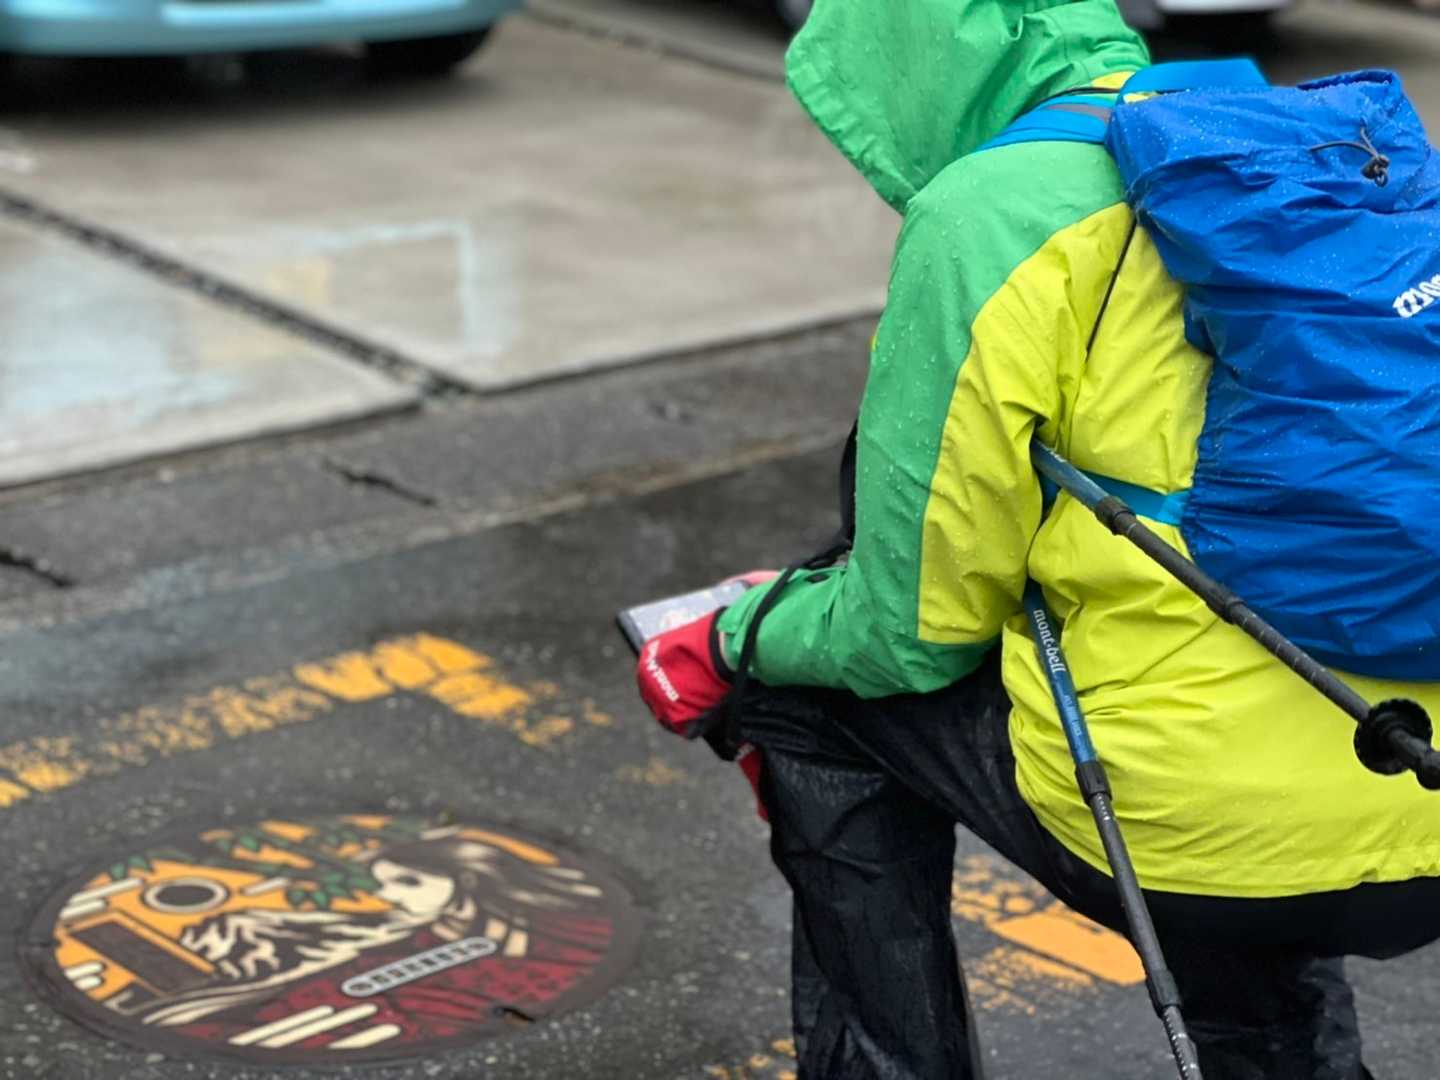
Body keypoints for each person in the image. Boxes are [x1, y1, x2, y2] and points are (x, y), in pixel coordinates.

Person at [634, 2, 1440, 1078]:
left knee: (803, 698)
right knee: (1228, 713)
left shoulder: (990, 213)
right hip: (1413, 780)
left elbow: (911, 630)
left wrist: (735, 636)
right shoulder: (1278, 135)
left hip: (1200, 831)